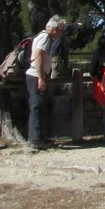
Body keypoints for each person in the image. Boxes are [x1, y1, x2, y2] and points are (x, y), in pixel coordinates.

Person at [25, 15, 67, 151]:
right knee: (37, 106)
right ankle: (36, 139)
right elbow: (38, 55)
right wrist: (41, 78)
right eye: (60, 30)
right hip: (36, 76)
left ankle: (39, 137)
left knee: (40, 106)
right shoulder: (44, 37)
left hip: (37, 75)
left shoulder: (42, 36)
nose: (61, 33)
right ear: (54, 29)